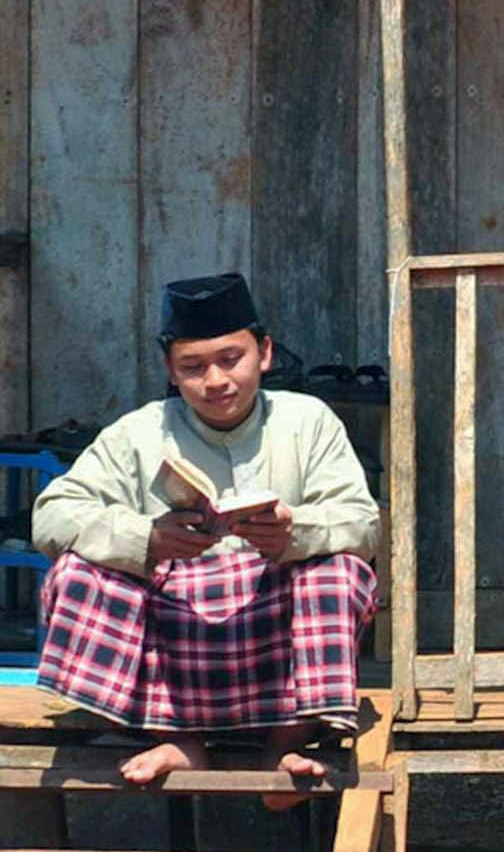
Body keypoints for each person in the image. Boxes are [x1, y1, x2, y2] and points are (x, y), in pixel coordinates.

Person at [32, 276, 381, 800]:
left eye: (231, 358)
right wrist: (144, 538)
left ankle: (285, 744)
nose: (216, 380)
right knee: (75, 572)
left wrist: (294, 531)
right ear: (171, 371)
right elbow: (51, 517)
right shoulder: (139, 432)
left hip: (269, 612)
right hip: (176, 621)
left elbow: (364, 523)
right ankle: (179, 740)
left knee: (342, 572)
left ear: (263, 353)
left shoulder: (309, 422)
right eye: (194, 367)